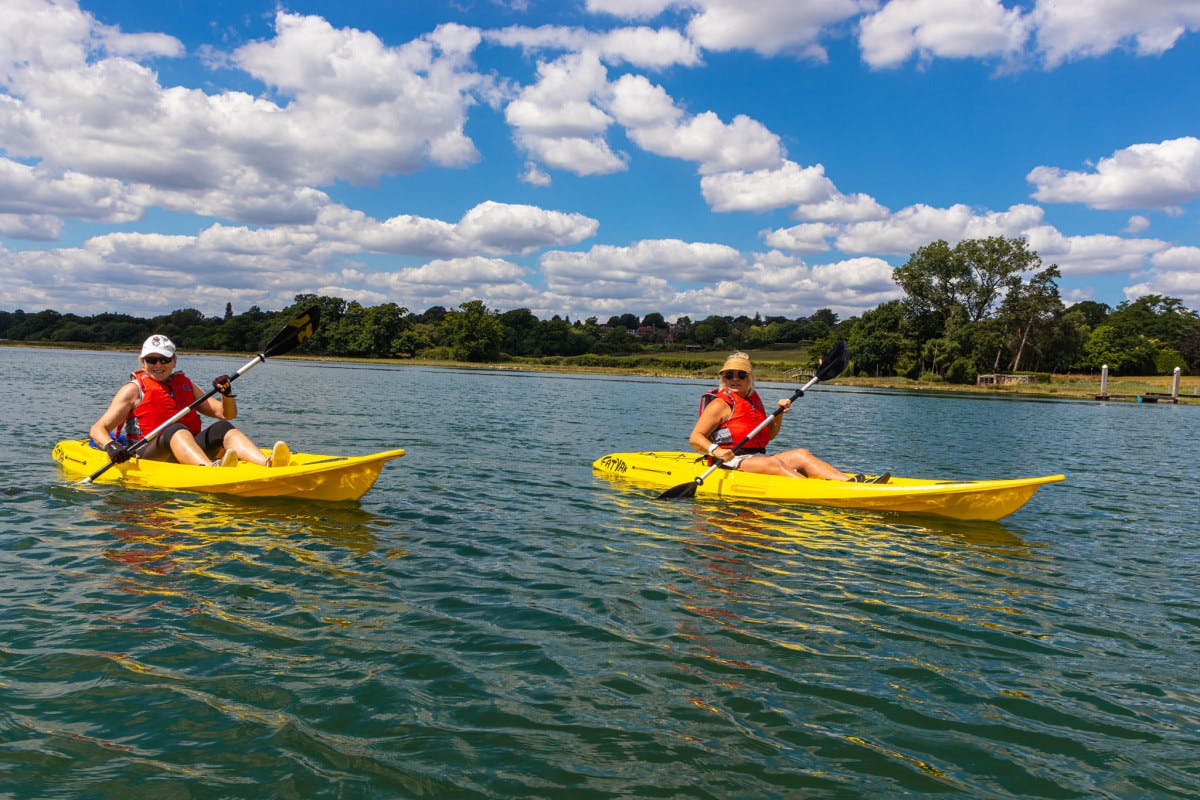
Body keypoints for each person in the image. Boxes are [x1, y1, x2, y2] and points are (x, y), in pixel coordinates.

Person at [89, 334, 290, 468]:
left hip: (187, 449)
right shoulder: (133, 390)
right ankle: (208, 469)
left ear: (174, 361)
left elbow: (225, 413)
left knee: (222, 427)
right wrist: (111, 446)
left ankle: (266, 464)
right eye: (151, 360)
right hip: (149, 454)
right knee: (176, 430)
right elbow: (98, 428)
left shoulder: (185, 385)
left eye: (165, 359)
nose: (158, 365)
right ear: (142, 362)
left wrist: (226, 394)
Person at [688, 352, 888, 483]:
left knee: (801, 453)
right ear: (723, 378)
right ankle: (817, 491)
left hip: (756, 457)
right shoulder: (719, 404)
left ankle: (848, 483)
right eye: (729, 375)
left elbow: (769, 436)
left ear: (750, 379)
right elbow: (696, 438)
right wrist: (717, 451)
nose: (734, 379)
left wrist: (779, 414)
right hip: (728, 461)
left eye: (741, 375)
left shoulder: (752, 402)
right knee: (773, 464)